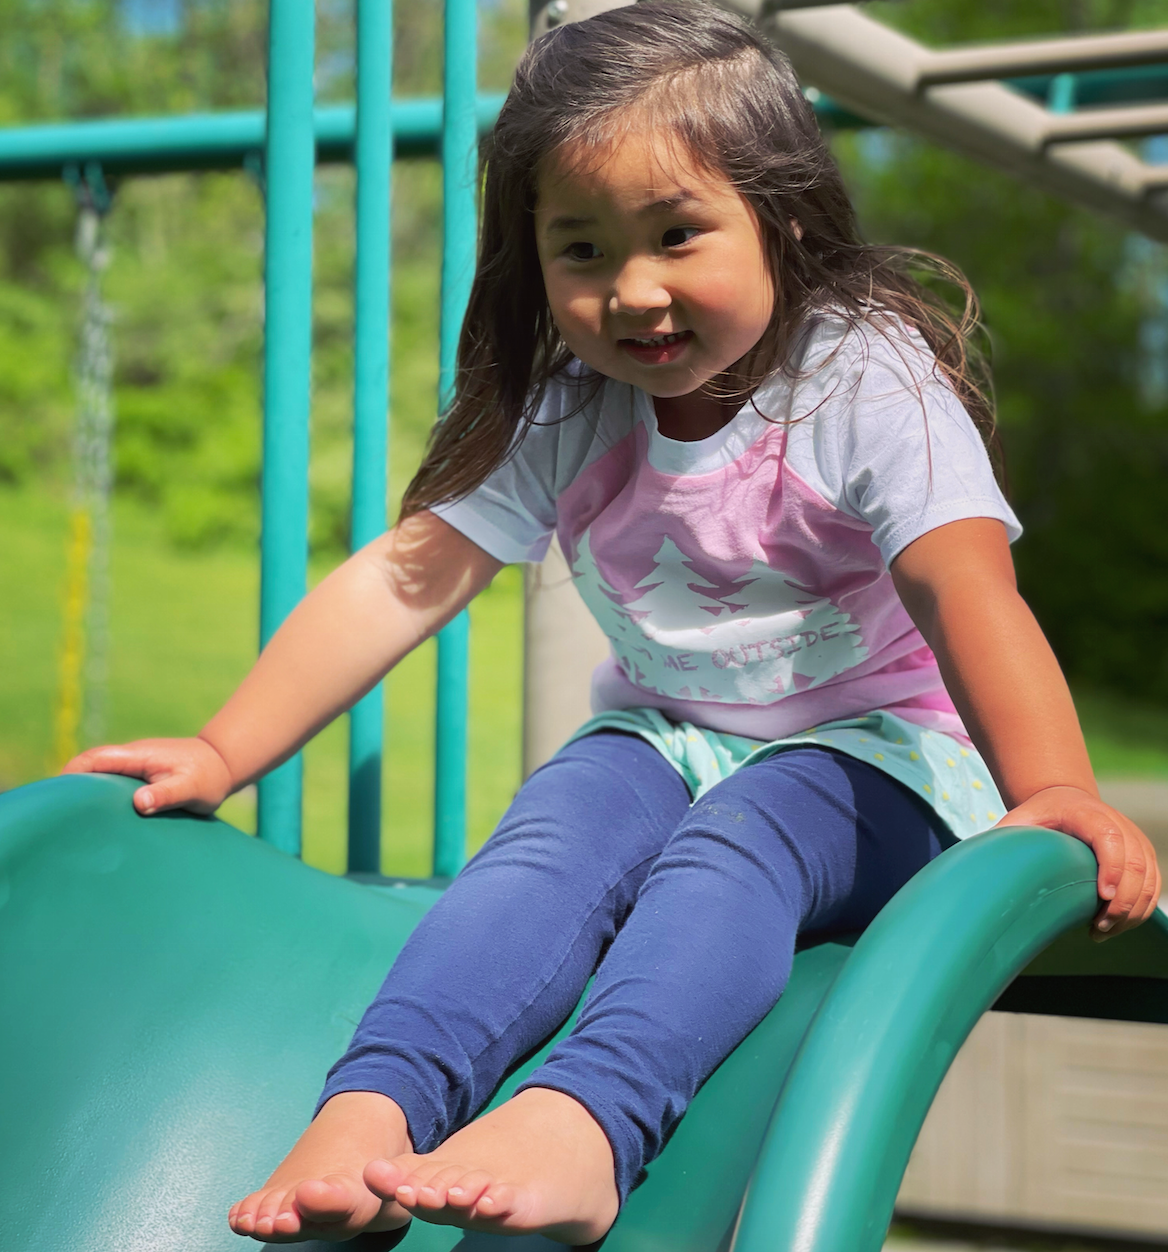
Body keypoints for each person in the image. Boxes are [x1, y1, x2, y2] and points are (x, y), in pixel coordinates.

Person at [65, 2, 1162, 1245]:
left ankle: (588, 1121)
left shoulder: (862, 376)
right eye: (581, 250)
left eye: (678, 235)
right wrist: (223, 751)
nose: (632, 291)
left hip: (881, 757)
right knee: (545, 837)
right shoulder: (572, 407)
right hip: (668, 732)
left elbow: (961, 588)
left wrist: (1054, 787)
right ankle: (375, 1102)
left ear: (782, 220)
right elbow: (406, 575)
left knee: (739, 840)